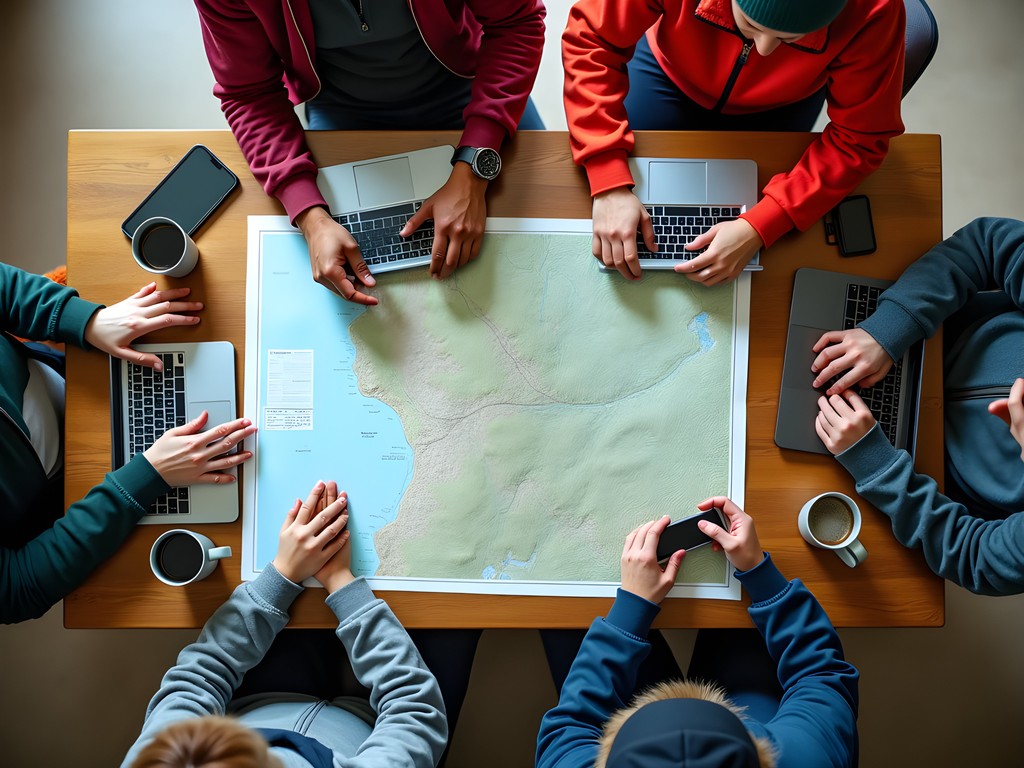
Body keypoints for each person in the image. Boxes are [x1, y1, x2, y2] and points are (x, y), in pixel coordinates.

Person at [192, 0, 546, 304]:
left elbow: (517, 23)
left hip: (475, 91)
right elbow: (248, 93)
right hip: (343, 115)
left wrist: (473, 170)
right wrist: (309, 216)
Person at [562, 0, 905, 285]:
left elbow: (859, 138)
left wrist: (762, 224)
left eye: (790, 39)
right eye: (750, 25)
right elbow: (591, 39)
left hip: (783, 104)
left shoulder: (878, 9)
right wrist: (607, 177)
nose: (765, 50)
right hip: (667, 74)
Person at [122, 480, 448, 768]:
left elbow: (199, 678)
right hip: (368, 723)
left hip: (262, 698)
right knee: (446, 614)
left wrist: (281, 575)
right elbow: (415, 712)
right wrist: (342, 584)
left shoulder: (165, 757)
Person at [1, 263, 256, 624]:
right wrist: (149, 476)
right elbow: (16, 589)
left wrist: (86, 322)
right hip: (76, 499)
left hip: (72, 374)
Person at [536, 498, 859, 768]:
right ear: (763, 755)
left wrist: (631, 609)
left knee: (565, 618)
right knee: (743, 635)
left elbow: (572, 724)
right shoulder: (807, 756)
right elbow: (821, 674)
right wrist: (758, 571)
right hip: (755, 712)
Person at [813, 217, 1024, 595]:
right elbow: (987, 244)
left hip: (912, 472)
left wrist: (876, 466)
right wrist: (890, 327)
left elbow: (978, 560)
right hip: (920, 333)